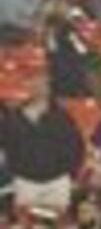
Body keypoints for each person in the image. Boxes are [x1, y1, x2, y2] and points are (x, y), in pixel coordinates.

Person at [1, 66, 85, 218]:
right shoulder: (14, 118)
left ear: (48, 86)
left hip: (57, 182)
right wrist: (15, 171)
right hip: (25, 182)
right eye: (34, 82)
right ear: (28, 86)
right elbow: (5, 146)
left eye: (42, 82)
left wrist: (69, 174)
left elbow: (77, 146)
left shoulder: (62, 118)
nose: (38, 86)